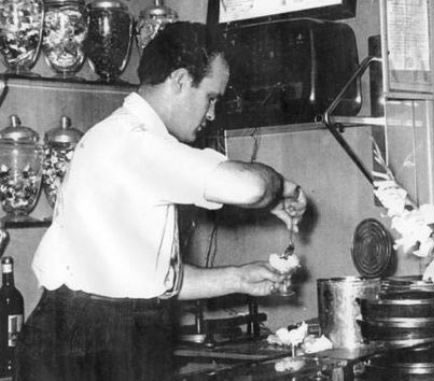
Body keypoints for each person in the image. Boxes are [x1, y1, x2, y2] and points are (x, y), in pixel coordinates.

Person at [15, 22, 307, 381]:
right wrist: (281, 187)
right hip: (83, 345)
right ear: (181, 80)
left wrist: (237, 277)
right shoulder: (136, 143)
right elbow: (250, 188)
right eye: (211, 98)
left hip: (96, 333)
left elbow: (144, 283)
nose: (212, 114)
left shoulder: (130, 141)